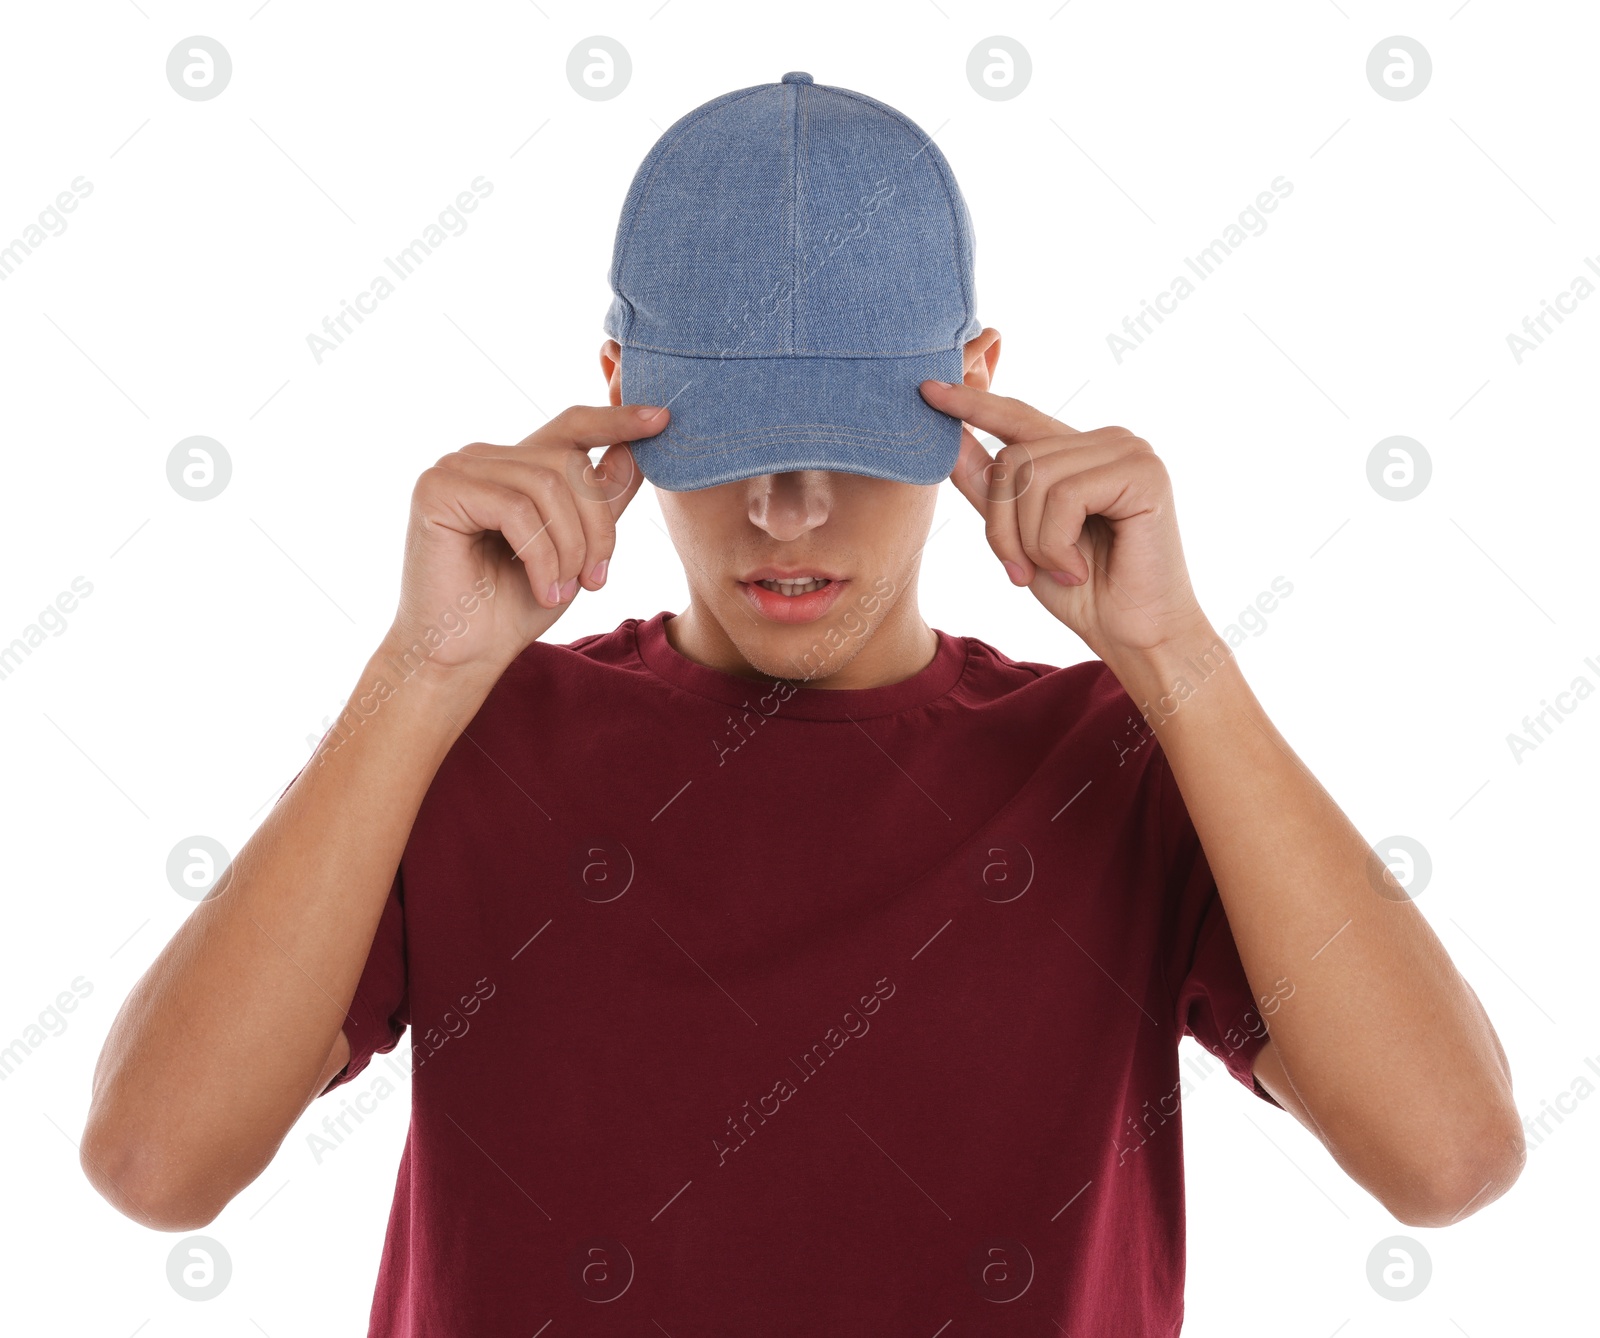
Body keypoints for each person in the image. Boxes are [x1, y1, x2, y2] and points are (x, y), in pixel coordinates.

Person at [80, 72, 1523, 1335]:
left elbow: (1449, 1159)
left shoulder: (1118, 762)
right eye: (733, 440)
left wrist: (1181, 655)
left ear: (974, 391)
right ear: (616, 393)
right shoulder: (473, 743)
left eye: (850, 436)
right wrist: (419, 671)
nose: (789, 511)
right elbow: (153, 1166)